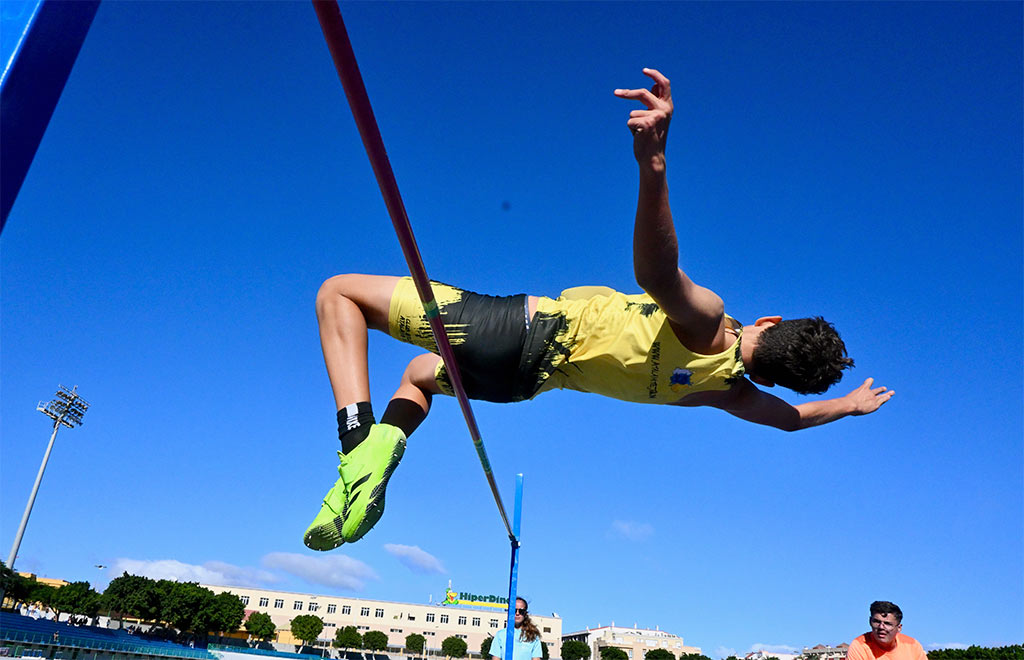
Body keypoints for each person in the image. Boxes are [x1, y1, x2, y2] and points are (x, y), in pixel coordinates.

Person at [303, 67, 895, 550]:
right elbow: (792, 420)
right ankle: (376, 459)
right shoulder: (734, 393)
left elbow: (656, 273)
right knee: (419, 379)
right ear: (771, 376)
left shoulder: (711, 322)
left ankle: (357, 454)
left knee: (340, 293)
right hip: (523, 382)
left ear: (768, 321)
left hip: (515, 331)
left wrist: (653, 163)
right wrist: (847, 407)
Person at [846, 601, 927, 660]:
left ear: (899, 627)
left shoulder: (913, 646)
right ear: (870, 621)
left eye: (887, 624)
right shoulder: (859, 646)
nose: (881, 627)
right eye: (876, 622)